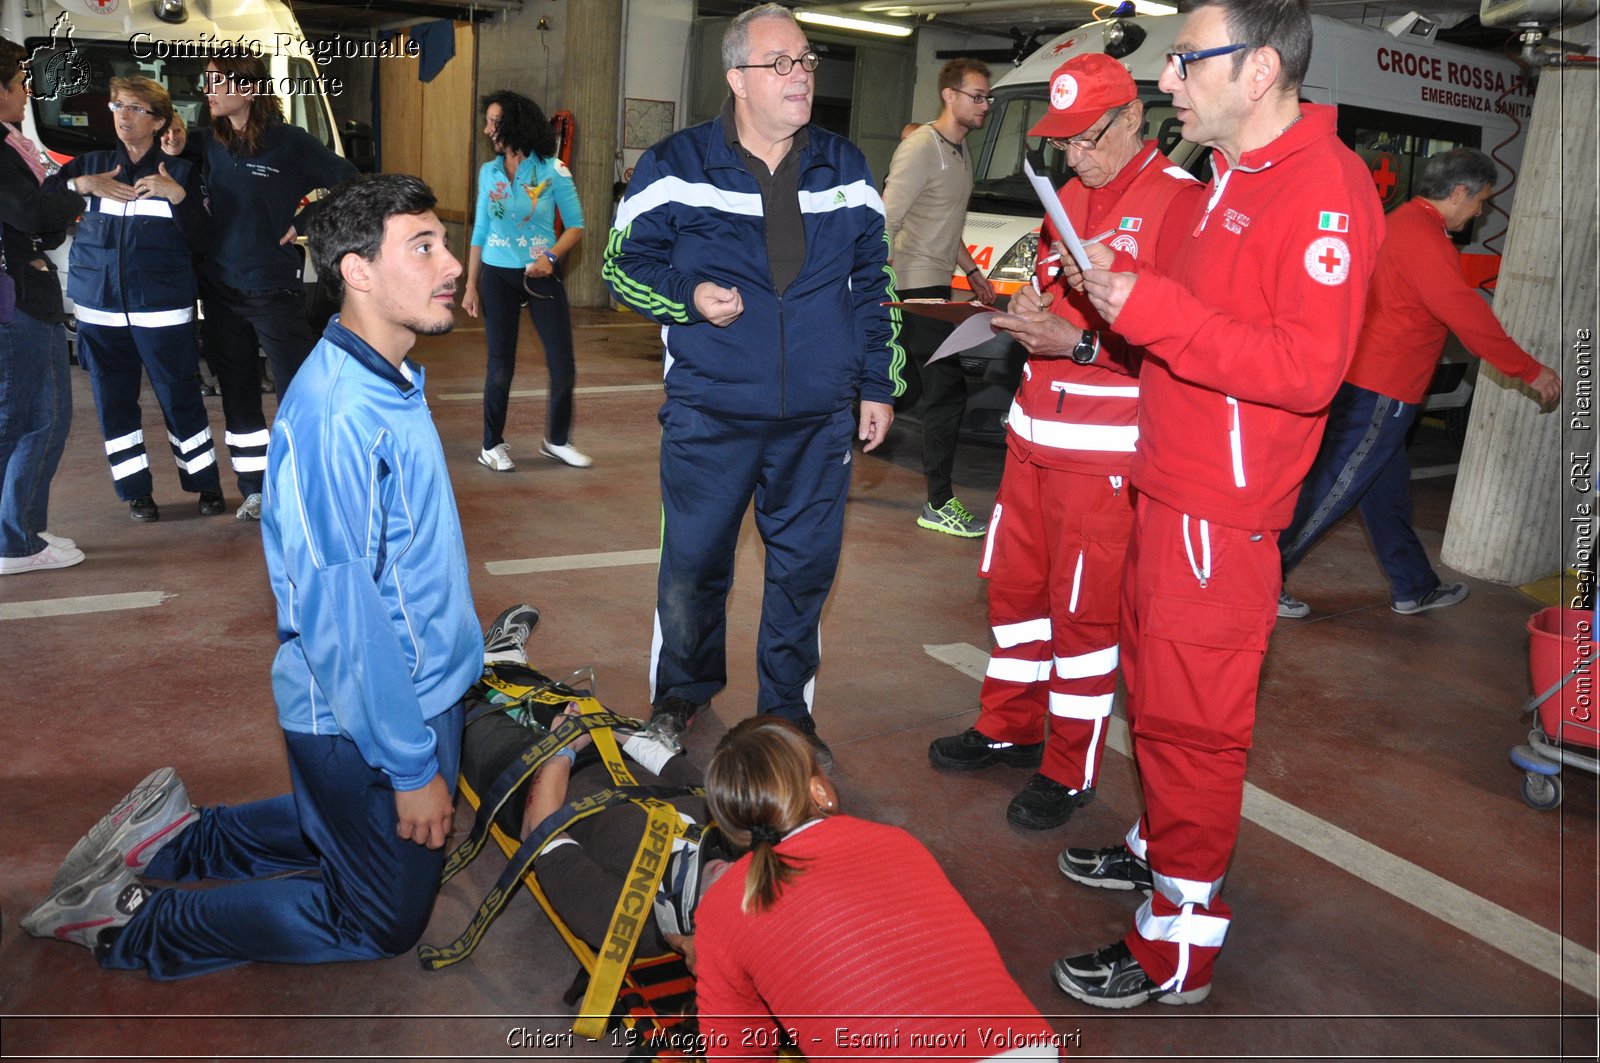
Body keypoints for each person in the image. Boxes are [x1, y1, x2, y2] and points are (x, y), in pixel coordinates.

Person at [21, 174, 483, 978]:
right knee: (378, 918)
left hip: (409, 688)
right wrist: (411, 767)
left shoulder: (391, 374)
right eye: (424, 246)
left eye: (442, 242)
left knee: (406, 827)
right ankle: (133, 922)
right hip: (363, 710)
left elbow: (401, 562)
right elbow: (344, 617)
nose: (450, 263)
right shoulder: (341, 415)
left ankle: (187, 838)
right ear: (357, 271)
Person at [1049, 0, 1383, 1008]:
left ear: (1261, 67)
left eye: (1187, 61)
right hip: (1171, 480)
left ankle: (1177, 943)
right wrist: (1121, 284)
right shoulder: (1234, 177)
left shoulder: (1323, 191)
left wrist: (1148, 306)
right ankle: (1161, 850)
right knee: (1155, 702)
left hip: (1220, 511)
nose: (1166, 79)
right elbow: (1204, 314)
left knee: (1193, 727)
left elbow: (1304, 368)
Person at [602, 4, 903, 766]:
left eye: (805, 61)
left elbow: (874, 285)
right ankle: (679, 696)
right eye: (781, 64)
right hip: (712, 413)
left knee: (804, 573)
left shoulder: (848, 169)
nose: (800, 76)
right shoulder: (675, 165)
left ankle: (786, 716)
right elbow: (620, 266)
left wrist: (878, 383)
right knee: (694, 567)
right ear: (738, 77)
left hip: (818, 419)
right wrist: (689, 297)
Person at [928, 54, 1203, 830]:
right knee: (1016, 597)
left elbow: (1182, 348)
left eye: (1085, 139)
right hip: (1031, 436)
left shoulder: (1180, 206)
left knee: (1084, 618)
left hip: (1104, 455)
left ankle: (1068, 765)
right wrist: (1027, 307)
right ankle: (1008, 725)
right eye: (1061, 143)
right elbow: (1057, 294)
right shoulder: (1067, 198)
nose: (1073, 157)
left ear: (1132, 121)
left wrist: (1075, 346)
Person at [1277, 147, 1561, 619]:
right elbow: (1468, 317)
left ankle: (1414, 586)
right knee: (1333, 486)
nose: (1481, 212)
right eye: (1481, 202)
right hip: (1382, 388)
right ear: (1458, 193)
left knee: (1385, 492)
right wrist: (1530, 370)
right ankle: (1263, 578)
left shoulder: (1398, 220)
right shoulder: (1426, 240)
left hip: (1366, 378)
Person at [693, 716, 1059, 1061]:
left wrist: (715, 965)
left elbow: (737, 1052)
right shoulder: (897, 841)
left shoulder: (724, 906)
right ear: (819, 791)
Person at [42, 76, 222, 522]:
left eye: (137, 108)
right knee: (112, 400)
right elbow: (40, 212)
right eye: (118, 105)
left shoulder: (181, 173)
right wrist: (80, 186)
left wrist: (178, 197)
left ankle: (204, 483)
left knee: (180, 397)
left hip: (161, 309)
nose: (123, 115)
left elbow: (204, 240)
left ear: (160, 121)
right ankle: (136, 492)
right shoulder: (92, 165)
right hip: (98, 310)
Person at [189, 53, 357, 521]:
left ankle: (305, 483)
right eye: (207, 83)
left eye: (217, 83)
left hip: (271, 290)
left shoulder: (290, 144)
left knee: (298, 391)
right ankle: (255, 489)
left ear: (248, 90)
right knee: (238, 392)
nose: (209, 93)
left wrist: (305, 217)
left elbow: (350, 181)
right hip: (220, 290)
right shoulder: (207, 143)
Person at [882, 58, 996, 538]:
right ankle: (938, 502)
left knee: (896, 384)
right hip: (908, 289)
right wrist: (870, 285)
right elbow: (886, 219)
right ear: (949, 96)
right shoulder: (920, 148)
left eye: (987, 97)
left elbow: (944, 223)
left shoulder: (961, 150)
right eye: (977, 96)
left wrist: (971, 271)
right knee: (946, 391)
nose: (985, 105)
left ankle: (813, 451)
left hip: (936, 286)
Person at [463, 90, 590, 472]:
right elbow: (480, 229)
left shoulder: (553, 170)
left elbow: (576, 226)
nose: (487, 129)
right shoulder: (489, 173)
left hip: (540, 274)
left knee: (563, 364)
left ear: (514, 124)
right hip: (497, 275)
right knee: (500, 363)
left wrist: (550, 257)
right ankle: (492, 444)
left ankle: (556, 440)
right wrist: (471, 284)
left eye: (493, 121)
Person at [0, 37, 85, 576]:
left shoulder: (14, 145)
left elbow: (44, 222)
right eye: (20, 84)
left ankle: (21, 527)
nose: (28, 93)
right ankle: (15, 542)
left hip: (34, 294)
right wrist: (77, 187)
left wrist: (59, 206)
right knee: (19, 418)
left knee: (50, 414)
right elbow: (32, 215)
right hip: (15, 300)